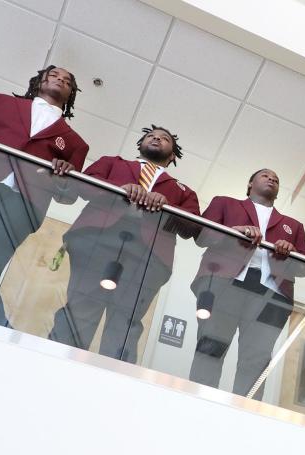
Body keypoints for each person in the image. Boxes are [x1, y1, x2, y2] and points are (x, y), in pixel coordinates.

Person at [49, 125, 199, 364]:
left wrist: (168, 206)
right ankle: (59, 363)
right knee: (81, 305)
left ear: (172, 155)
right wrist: (118, 190)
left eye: (164, 138)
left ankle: (116, 377)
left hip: (149, 255)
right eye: (151, 135)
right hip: (97, 240)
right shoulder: (112, 163)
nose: (157, 138)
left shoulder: (183, 191)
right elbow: (84, 187)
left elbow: (193, 229)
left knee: (127, 319)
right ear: (140, 145)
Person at [0, 66, 88, 327]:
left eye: (67, 81)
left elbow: (68, 196)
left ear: (71, 93)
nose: (60, 80)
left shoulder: (75, 143)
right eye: (54, 75)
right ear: (39, 81)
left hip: (23, 207)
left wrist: (64, 177)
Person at [189, 169, 305, 399]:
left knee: (257, 358)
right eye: (265, 175)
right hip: (225, 282)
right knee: (211, 345)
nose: (272, 178)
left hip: (272, 294)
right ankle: (200, 401)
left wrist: (291, 252)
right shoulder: (225, 203)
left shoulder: (293, 225)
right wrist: (234, 231)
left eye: (276, 178)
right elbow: (202, 236)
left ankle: (246, 412)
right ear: (249, 183)